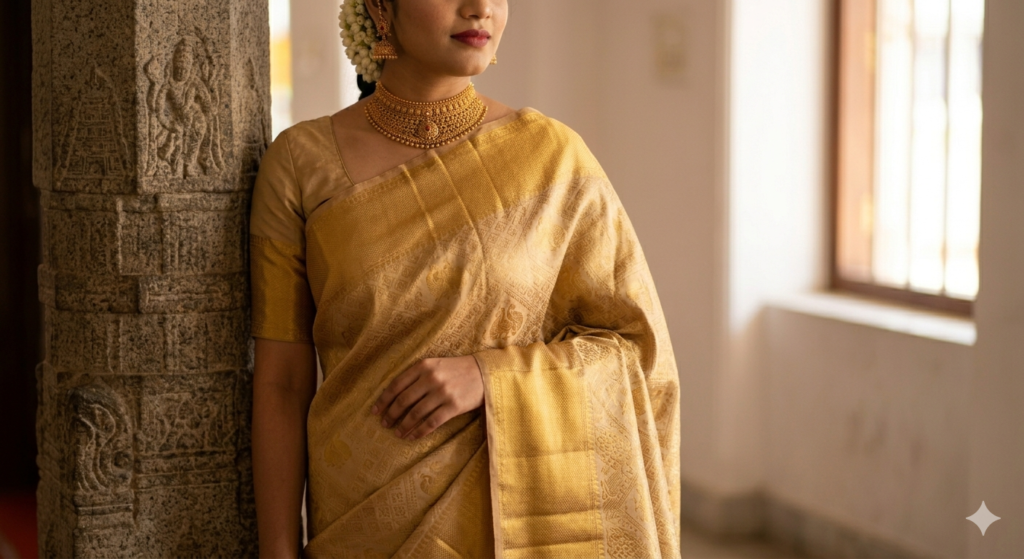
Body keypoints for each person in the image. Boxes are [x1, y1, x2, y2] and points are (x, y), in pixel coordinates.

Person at [250, 0, 681, 557]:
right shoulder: (300, 164)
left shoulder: (553, 158)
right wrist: (278, 550)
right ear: (380, 8)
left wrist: (490, 377)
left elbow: (636, 352)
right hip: (362, 518)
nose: (480, 9)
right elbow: (282, 384)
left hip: (508, 526)